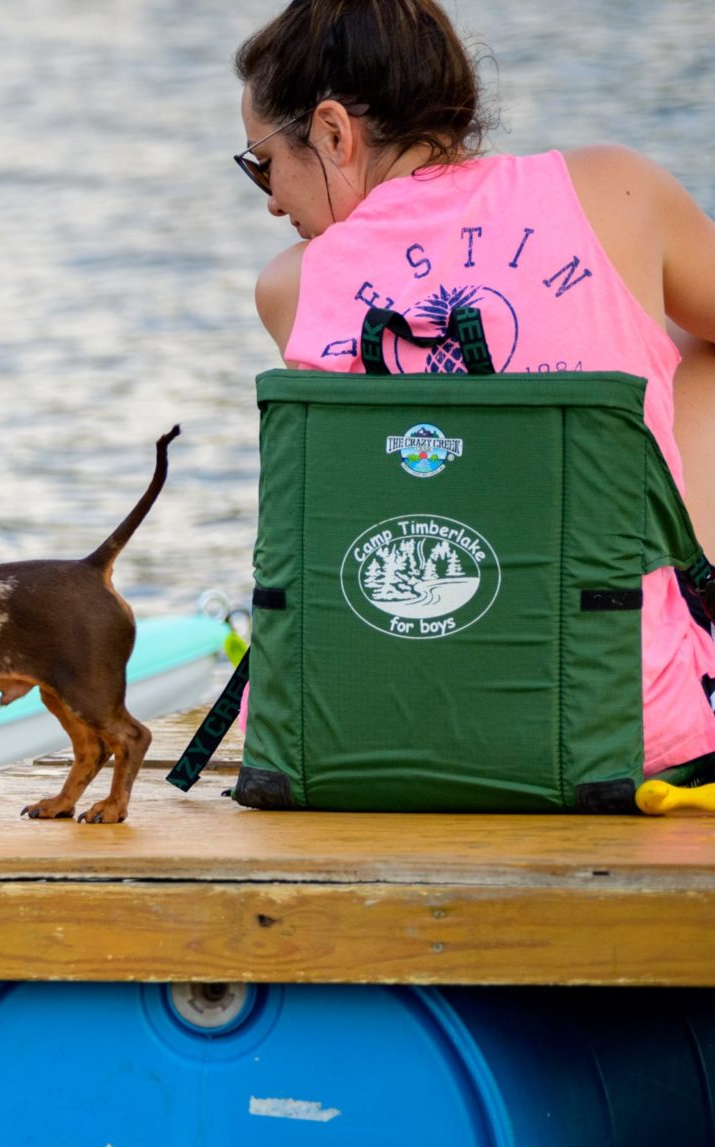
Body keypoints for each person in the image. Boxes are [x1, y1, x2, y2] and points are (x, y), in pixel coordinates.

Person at [232, 0, 715, 773]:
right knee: (697, 354)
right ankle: (681, 631)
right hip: (624, 731)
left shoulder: (293, 288)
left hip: (354, 735)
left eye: (262, 161)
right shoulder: (618, 190)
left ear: (332, 133)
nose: (271, 199)